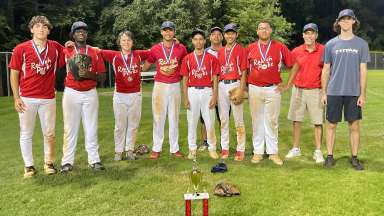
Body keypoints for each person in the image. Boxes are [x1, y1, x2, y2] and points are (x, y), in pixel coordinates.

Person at [9, 15, 65, 178]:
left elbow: (69, 53)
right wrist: (16, 97)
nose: (41, 29)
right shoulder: (21, 48)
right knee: (26, 132)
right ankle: (29, 166)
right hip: (27, 97)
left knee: (50, 133)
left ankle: (49, 162)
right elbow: (14, 74)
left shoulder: (55, 47)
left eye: (45, 27)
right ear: (31, 29)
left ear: (49, 30)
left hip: (48, 97)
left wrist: (68, 45)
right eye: (38, 26)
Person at [321, 9, 370, 170]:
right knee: (331, 125)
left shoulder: (361, 44)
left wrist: (362, 93)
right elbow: (326, 69)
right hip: (334, 91)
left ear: (354, 22)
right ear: (339, 22)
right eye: (343, 19)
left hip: (353, 92)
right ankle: (329, 156)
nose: (346, 21)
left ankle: (354, 158)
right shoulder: (330, 44)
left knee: (354, 125)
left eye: (349, 19)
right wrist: (324, 92)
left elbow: (363, 70)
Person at [60, 21, 107, 172]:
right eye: (78, 30)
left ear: (87, 34)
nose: (81, 32)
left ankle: (94, 160)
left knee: (91, 127)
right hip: (71, 92)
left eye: (84, 31)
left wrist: (89, 74)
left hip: (90, 93)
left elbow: (102, 77)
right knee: (70, 128)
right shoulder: (66, 50)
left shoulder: (94, 52)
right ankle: (67, 161)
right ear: (73, 35)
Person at [247, 20, 295, 165]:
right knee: (256, 120)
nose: (263, 31)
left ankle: (273, 152)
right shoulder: (250, 48)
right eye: (261, 28)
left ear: (270, 30)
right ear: (257, 31)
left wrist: (288, 84)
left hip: (273, 88)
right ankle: (258, 152)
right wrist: (243, 88)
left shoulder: (279, 47)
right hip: (254, 88)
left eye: (266, 28)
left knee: (272, 121)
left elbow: (294, 64)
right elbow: (243, 69)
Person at [97, 31, 149, 161]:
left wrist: (173, 43)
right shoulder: (114, 56)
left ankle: (130, 150)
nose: (126, 43)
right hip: (120, 95)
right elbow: (96, 51)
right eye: (124, 40)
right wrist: (71, 45)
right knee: (120, 125)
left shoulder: (138, 54)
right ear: (119, 42)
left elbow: (154, 51)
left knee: (133, 124)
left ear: (133, 42)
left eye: (129, 40)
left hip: (135, 94)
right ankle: (118, 151)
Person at [142, 21, 188, 159]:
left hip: (174, 85)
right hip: (160, 85)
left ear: (174, 32)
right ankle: (157, 148)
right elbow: (146, 65)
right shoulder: (155, 48)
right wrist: (137, 69)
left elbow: (187, 63)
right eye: (165, 30)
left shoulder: (181, 48)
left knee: (174, 117)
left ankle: (174, 148)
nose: (168, 33)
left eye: (170, 30)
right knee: (158, 117)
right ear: (161, 32)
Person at [285, 23, 325, 163]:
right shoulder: (296, 51)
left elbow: (327, 70)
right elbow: (290, 67)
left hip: (316, 90)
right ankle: (296, 148)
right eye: (306, 33)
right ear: (303, 35)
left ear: (316, 35)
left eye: (312, 33)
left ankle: (318, 151)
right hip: (298, 90)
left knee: (318, 122)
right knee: (296, 120)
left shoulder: (323, 50)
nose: (309, 36)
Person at [180, 28, 220, 160]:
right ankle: (192, 149)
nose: (198, 42)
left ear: (204, 41)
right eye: (196, 39)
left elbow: (215, 78)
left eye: (201, 39)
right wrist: (185, 97)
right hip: (192, 91)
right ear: (192, 41)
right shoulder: (187, 58)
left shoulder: (211, 58)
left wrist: (215, 96)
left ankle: (212, 148)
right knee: (192, 121)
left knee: (209, 121)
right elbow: (185, 79)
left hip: (207, 91)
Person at [217, 23, 247, 161]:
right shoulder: (221, 51)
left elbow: (244, 70)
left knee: (238, 118)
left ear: (236, 35)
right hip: (222, 85)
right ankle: (225, 148)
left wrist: (241, 89)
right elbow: (217, 72)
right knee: (223, 119)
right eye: (227, 33)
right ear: (224, 35)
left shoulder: (240, 49)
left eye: (232, 33)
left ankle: (240, 149)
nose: (230, 35)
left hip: (235, 84)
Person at [198, 26, 224, 151]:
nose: (216, 36)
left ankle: (223, 142)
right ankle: (205, 141)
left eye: (219, 34)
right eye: (214, 34)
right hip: (208, 87)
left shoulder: (226, 50)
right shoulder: (205, 52)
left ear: (222, 37)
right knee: (205, 117)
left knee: (222, 117)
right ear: (210, 37)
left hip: (223, 86)